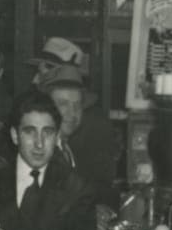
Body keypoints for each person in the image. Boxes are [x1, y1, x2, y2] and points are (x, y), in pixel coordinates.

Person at [0, 92, 97, 230]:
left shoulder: (76, 187)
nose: (39, 143)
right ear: (15, 135)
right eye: (30, 132)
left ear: (57, 136)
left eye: (47, 132)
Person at [38, 64, 120, 210]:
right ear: (47, 108)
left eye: (77, 105)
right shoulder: (40, 153)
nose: (72, 113)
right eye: (63, 104)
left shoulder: (69, 148)